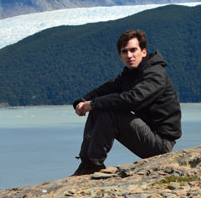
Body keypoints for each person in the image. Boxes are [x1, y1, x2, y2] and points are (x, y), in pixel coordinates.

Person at [71, 29, 181, 176]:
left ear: (143, 51)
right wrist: (82, 101)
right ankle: (87, 162)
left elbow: (133, 99)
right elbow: (105, 89)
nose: (129, 55)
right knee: (100, 106)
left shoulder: (155, 73)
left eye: (133, 50)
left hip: (160, 144)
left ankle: (93, 163)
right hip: (147, 135)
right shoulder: (130, 75)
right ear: (120, 56)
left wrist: (93, 103)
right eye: (125, 51)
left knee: (108, 110)